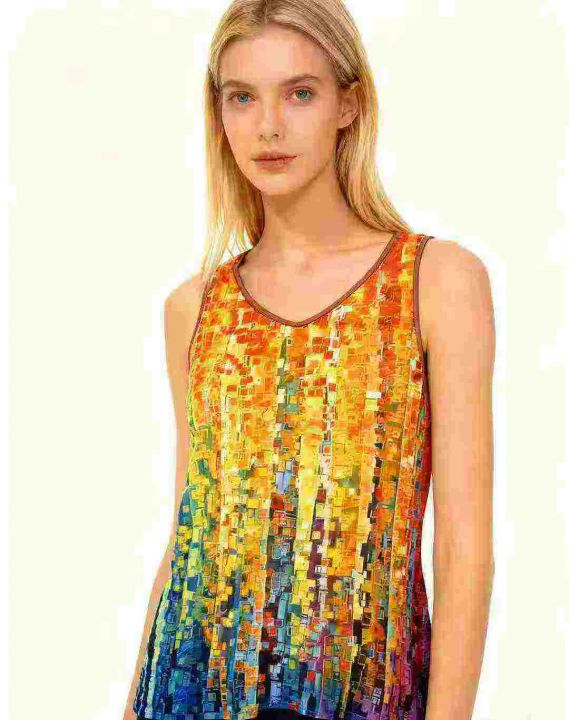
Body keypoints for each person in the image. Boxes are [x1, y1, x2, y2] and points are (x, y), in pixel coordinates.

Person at [124, 2, 495, 720]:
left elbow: (463, 548)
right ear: (219, 114)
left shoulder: (435, 282)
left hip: (359, 695)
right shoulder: (194, 307)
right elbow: (191, 531)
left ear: (348, 104)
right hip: (190, 693)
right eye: (242, 97)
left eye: (299, 93)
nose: (268, 126)